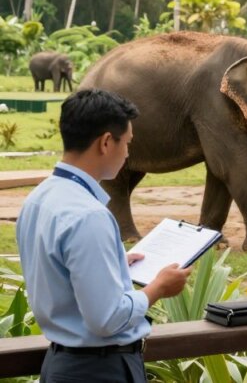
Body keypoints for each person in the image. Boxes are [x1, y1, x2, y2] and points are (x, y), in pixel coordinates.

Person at [16, 89, 191, 383]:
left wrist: (112, 261)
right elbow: (107, 319)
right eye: (127, 144)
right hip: (99, 370)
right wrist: (158, 288)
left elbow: (56, 268)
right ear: (107, 142)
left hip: (61, 363)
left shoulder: (38, 199)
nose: (127, 154)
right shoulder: (89, 215)